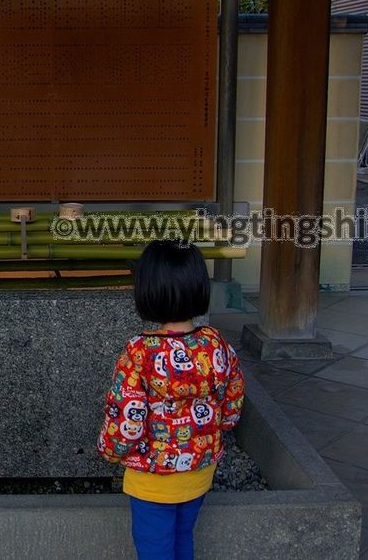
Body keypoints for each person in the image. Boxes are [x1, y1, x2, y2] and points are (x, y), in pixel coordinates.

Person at [96, 240, 245, 560]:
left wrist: (110, 450)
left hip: (153, 479)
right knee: (182, 540)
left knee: (154, 549)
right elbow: (232, 401)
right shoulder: (215, 342)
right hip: (200, 469)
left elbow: (127, 416)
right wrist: (219, 427)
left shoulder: (140, 351)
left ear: (147, 291)